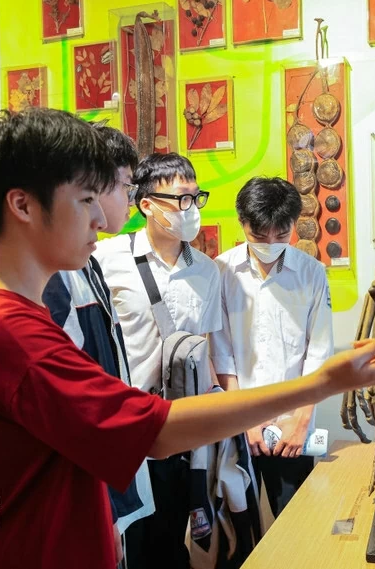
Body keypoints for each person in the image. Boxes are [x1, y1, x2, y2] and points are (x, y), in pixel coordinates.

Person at [0, 107, 375, 569]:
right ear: (21, 204)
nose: (103, 220)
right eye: (87, 199)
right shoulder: (8, 333)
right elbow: (158, 430)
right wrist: (320, 385)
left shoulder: (17, 316)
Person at [93, 152, 221, 568]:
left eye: (195, 198)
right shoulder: (106, 260)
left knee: (170, 539)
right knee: (130, 544)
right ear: (146, 204)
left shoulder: (207, 270)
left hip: (180, 428)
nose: (191, 210)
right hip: (125, 427)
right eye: (180, 199)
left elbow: (205, 346)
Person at [40, 123, 150, 568]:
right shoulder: (51, 281)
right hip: (84, 482)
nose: (105, 216)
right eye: (123, 187)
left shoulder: (87, 264)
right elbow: (75, 413)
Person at [211, 177, 334, 520]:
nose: (271, 243)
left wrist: (301, 419)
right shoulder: (221, 271)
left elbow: (319, 353)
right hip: (238, 426)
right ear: (243, 223)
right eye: (259, 236)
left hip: (293, 427)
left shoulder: (311, 272)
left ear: (294, 224)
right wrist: (244, 420)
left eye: (281, 235)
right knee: (238, 529)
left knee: (295, 524)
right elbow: (221, 351)